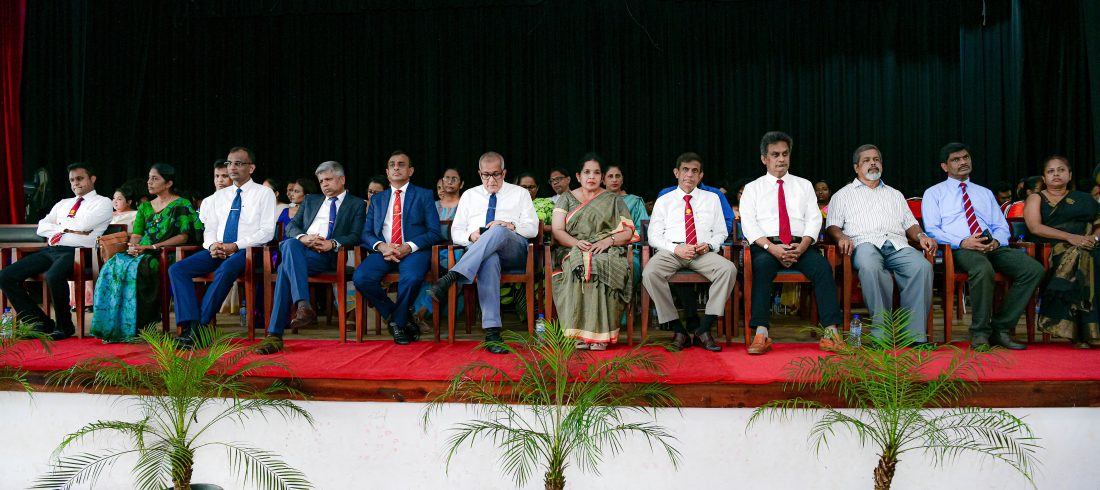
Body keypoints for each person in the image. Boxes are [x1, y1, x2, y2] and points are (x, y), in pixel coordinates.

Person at [922, 142, 1042, 350]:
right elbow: (932, 230)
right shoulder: (934, 193)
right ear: (944, 166)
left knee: (1033, 270)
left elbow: (1001, 226)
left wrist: (996, 241)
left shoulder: (984, 193)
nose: (963, 162)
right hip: (960, 248)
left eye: (965, 157)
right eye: (956, 160)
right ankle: (980, 333)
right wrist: (963, 241)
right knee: (982, 269)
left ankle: (1000, 328)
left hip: (992, 246)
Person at [741, 132, 843, 355]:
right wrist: (772, 248)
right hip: (767, 246)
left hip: (800, 245)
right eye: (775, 154)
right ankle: (761, 333)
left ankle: (831, 333)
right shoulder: (752, 188)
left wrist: (804, 245)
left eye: (785, 154)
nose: (781, 159)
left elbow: (814, 219)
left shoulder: (803, 185)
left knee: (823, 268)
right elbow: (749, 225)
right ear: (764, 159)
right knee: (762, 267)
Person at [427, 151, 539, 353]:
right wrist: (471, 236)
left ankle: (453, 275)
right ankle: (492, 333)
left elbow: (533, 229)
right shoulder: (469, 195)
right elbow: (456, 232)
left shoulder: (520, 193)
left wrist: (509, 225)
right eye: (486, 175)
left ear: (504, 173)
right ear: (479, 174)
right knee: (489, 259)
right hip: (481, 253)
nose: (491, 180)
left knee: (497, 229)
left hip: (514, 250)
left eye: (496, 174)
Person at [826, 145, 937, 342]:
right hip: (863, 244)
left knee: (922, 267)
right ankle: (882, 334)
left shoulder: (895, 194)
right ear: (856, 168)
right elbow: (832, 226)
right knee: (870, 267)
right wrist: (841, 237)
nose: (873, 163)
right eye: (866, 160)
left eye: (876, 159)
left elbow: (910, 224)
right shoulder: (842, 195)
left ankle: (914, 336)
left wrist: (921, 236)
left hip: (897, 244)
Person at [168, 147, 276, 347]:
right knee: (177, 269)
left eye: (238, 163)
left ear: (251, 168)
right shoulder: (218, 197)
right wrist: (212, 245)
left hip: (248, 251)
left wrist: (235, 245)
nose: (232, 167)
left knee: (225, 269)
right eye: (229, 163)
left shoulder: (264, 193)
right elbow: (210, 229)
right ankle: (189, 324)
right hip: (218, 250)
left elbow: (267, 232)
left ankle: (199, 328)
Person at [256, 161, 365, 353]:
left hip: (328, 255)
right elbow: (291, 227)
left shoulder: (356, 204)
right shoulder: (310, 200)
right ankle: (302, 305)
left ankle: (275, 334)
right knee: (290, 244)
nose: (324, 184)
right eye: (321, 181)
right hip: (303, 250)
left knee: (284, 267)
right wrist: (304, 238)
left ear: (342, 179)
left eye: (328, 179)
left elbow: (356, 235)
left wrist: (332, 243)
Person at [90, 164, 202, 342]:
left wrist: (153, 247)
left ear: (168, 183)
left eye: (155, 178)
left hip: (167, 253)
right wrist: (133, 247)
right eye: (149, 178)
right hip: (143, 251)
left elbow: (183, 237)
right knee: (112, 265)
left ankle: (140, 324)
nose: (149, 182)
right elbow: (137, 234)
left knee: (143, 267)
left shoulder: (181, 204)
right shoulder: (145, 207)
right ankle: (115, 326)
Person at [0, 163, 112, 340]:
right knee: (6, 276)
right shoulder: (63, 203)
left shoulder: (103, 202)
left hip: (79, 252)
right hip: (52, 250)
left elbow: (84, 225)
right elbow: (42, 227)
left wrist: (60, 225)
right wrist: (67, 228)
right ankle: (40, 323)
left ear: (92, 179)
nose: (75, 183)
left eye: (80, 178)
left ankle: (64, 326)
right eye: (72, 180)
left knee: (53, 276)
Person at [641, 152, 734, 352]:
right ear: (676, 173)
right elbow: (654, 236)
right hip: (672, 251)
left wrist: (709, 245)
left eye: (694, 171)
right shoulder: (664, 200)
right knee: (650, 273)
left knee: (728, 270)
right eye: (685, 170)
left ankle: (704, 329)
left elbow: (721, 232)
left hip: (702, 251)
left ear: (701, 175)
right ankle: (678, 330)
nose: (689, 175)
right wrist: (676, 248)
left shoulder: (712, 199)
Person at [551, 153, 638, 350]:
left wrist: (608, 241)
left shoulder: (613, 199)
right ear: (578, 176)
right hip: (572, 248)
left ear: (602, 176)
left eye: (596, 173)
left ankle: (601, 335)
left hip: (607, 249)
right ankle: (579, 334)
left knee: (600, 264)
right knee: (579, 264)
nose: (591, 177)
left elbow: (628, 231)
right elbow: (557, 230)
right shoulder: (566, 198)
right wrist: (577, 243)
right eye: (587, 172)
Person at [354, 151, 441, 345]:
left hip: (414, 252)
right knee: (361, 278)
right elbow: (366, 233)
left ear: (410, 171)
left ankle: (397, 323)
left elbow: (434, 232)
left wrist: (408, 247)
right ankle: (397, 316)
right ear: (387, 172)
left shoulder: (424, 195)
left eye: (401, 164)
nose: (396, 167)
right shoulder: (378, 199)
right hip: (385, 251)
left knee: (412, 278)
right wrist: (382, 246)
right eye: (392, 164)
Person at [1023, 156, 1100, 348]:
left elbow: (1098, 222)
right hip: (1054, 250)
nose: (1056, 174)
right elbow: (1035, 227)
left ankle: (1092, 331)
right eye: (1051, 171)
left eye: (1061, 170)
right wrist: (1070, 237)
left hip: (1089, 244)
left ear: (1070, 175)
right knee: (1082, 258)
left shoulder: (1085, 199)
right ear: (1044, 177)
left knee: (1092, 256)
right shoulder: (1036, 198)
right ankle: (1081, 333)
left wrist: (1094, 238)